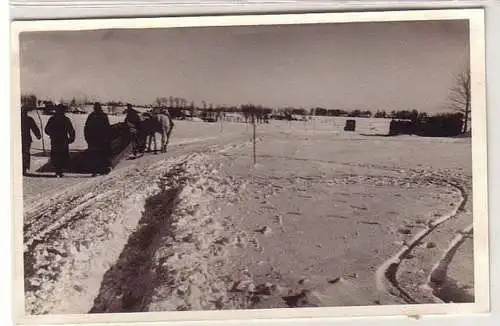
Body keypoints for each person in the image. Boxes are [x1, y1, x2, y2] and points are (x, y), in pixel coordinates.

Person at [44, 105, 75, 177]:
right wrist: (71, 138)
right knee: (62, 154)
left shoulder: (52, 119)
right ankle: (60, 170)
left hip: (55, 140)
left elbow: (46, 129)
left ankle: (57, 170)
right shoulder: (66, 119)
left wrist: (52, 134)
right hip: (63, 140)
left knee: (56, 154)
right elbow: (71, 130)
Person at [84, 102, 112, 176]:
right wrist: (107, 138)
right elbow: (107, 128)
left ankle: (94, 171)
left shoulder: (91, 116)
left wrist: (87, 138)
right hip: (102, 139)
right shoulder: (104, 116)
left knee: (94, 155)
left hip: (93, 140)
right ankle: (102, 170)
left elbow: (86, 128)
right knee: (102, 154)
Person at [21, 106, 41, 175]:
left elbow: (34, 128)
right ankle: (23, 168)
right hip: (26, 139)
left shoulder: (15, 119)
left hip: (20, 139)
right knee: (25, 153)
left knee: (22, 153)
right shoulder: (29, 119)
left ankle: (22, 168)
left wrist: (38, 135)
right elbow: (35, 128)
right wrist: (38, 135)